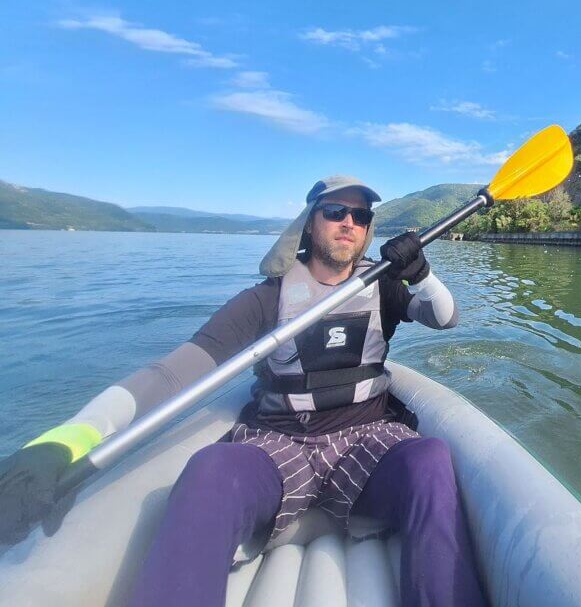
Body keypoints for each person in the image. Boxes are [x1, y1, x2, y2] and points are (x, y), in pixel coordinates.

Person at [0, 175, 488, 607]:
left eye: (360, 216)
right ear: (309, 222)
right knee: (210, 469)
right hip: (279, 445)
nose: (349, 223)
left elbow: (447, 318)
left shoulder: (383, 287)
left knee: (429, 459)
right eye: (335, 211)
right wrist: (69, 438)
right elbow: (171, 375)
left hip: (367, 438)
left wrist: (422, 274)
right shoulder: (266, 299)